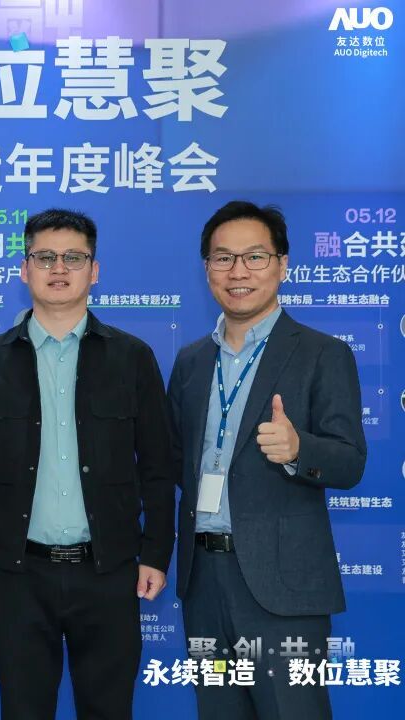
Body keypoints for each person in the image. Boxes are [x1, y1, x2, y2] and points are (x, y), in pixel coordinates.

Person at [0, 208, 176, 719]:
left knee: (109, 710)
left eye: (74, 257)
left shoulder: (132, 357)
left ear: (95, 270)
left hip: (109, 570)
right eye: (45, 257)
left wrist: (156, 553)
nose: (58, 268)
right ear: (24, 269)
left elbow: (159, 466)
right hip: (19, 575)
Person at [169, 201, 366, 719]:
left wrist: (300, 451)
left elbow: (350, 462)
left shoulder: (323, 353)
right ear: (207, 269)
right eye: (223, 258)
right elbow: (174, 459)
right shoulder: (191, 361)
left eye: (255, 257)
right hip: (203, 585)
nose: (238, 272)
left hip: (283, 589)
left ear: (282, 265)